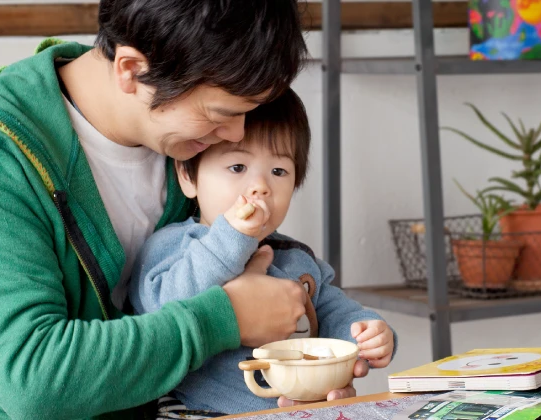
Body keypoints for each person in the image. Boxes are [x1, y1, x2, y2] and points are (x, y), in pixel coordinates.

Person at [0, 1, 366, 418]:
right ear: (131, 69)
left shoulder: (180, 138)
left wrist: (304, 382)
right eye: (220, 113)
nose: (235, 135)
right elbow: (36, 382)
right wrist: (227, 318)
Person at [128, 88, 397, 415]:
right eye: (238, 167)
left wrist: (365, 332)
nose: (261, 186)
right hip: (198, 410)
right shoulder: (176, 245)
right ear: (188, 176)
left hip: (293, 409)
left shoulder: (295, 257)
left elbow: (332, 310)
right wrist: (233, 237)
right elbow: (167, 307)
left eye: (279, 172)